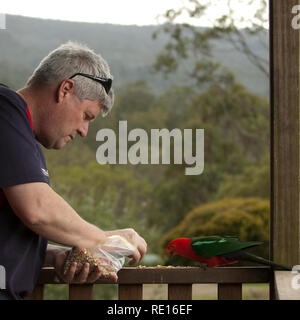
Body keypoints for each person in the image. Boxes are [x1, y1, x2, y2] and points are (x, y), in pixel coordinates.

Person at [0, 42, 147, 300]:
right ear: (65, 89)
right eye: (86, 116)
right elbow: (38, 210)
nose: (84, 131)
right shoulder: (5, 110)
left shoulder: (21, 133)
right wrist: (102, 240)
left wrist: (53, 254)